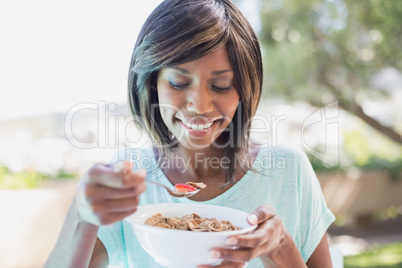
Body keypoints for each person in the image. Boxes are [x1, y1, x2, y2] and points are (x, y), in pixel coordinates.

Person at [45, 0, 335, 267]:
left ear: (245, 89)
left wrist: (279, 246)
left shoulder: (288, 172)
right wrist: (81, 218)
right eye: (179, 82)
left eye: (221, 85)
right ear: (152, 84)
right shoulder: (126, 183)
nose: (199, 106)